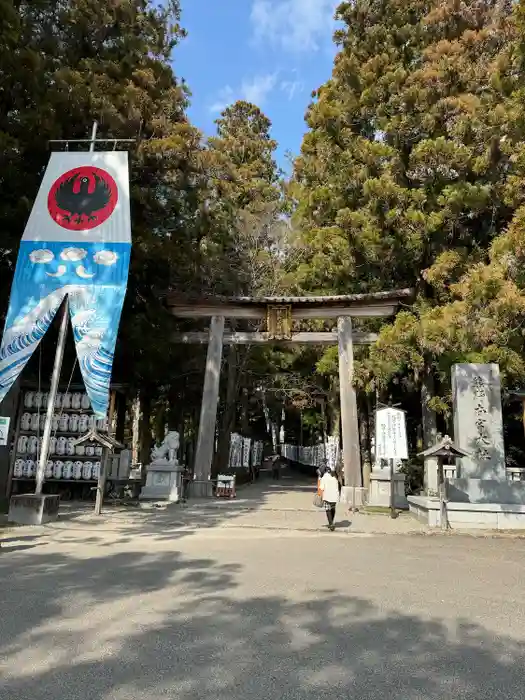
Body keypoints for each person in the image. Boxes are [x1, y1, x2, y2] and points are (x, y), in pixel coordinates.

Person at [319, 465, 339, 531]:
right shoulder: (334, 477)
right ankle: (331, 522)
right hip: (335, 496)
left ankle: (331, 524)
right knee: (333, 509)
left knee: (328, 510)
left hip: (327, 497)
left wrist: (320, 496)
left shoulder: (324, 478)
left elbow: (321, 488)